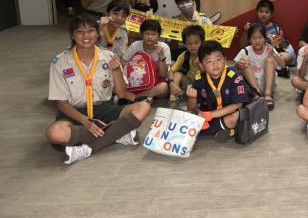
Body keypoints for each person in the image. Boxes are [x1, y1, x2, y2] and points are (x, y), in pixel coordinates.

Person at [45, 15, 151, 165]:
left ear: (98, 34)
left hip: (104, 109)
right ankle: (118, 133)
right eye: (80, 32)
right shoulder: (60, 62)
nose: (86, 36)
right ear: (72, 36)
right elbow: (61, 103)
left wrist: (116, 71)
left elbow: (121, 93)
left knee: (144, 107)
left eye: (90, 31)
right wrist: (85, 121)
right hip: (74, 112)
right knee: (55, 134)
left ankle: (86, 149)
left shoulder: (108, 56)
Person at [187, 41, 250, 142]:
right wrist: (192, 99)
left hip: (229, 114)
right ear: (202, 65)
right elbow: (191, 108)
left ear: (225, 60)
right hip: (210, 116)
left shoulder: (233, 75)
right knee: (188, 117)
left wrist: (212, 114)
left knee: (235, 117)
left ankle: (207, 131)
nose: (215, 64)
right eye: (209, 61)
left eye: (218, 59)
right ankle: (227, 129)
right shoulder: (199, 79)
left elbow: (238, 105)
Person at [235, 23, 284, 110]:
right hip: (252, 86)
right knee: (245, 59)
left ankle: (268, 94)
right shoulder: (245, 50)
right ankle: (257, 93)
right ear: (249, 40)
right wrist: (239, 65)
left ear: (265, 38)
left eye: (260, 37)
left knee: (270, 60)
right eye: (253, 38)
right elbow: (235, 68)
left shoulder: (269, 49)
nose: (257, 41)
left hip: (268, 84)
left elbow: (282, 65)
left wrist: (273, 53)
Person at [240, 0, 295, 76]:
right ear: (257, 12)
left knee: (287, 56)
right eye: (261, 11)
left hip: (270, 56)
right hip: (256, 55)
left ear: (271, 14)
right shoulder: (252, 27)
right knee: (244, 59)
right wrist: (246, 32)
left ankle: (268, 69)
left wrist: (279, 41)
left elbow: (280, 47)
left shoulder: (275, 28)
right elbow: (242, 46)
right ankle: (274, 70)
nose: (263, 14)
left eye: (267, 12)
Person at [121, 19, 171, 100]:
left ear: (159, 36)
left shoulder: (164, 47)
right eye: (147, 33)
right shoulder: (135, 45)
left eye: (153, 34)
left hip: (155, 82)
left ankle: (135, 97)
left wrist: (161, 56)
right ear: (142, 34)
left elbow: (163, 75)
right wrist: (134, 70)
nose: (150, 37)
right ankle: (147, 97)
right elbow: (123, 62)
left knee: (164, 87)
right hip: (135, 81)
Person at [169, 25, 205, 109]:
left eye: (196, 43)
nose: (193, 46)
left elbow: (210, 74)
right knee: (177, 74)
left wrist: (200, 66)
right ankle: (174, 97)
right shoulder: (184, 55)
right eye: (189, 43)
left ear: (202, 42)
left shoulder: (206, 55)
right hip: (189, 82)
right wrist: (171, 83)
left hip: (202, 84)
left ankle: (194, 100)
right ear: (185, 44)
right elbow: (171, 70)